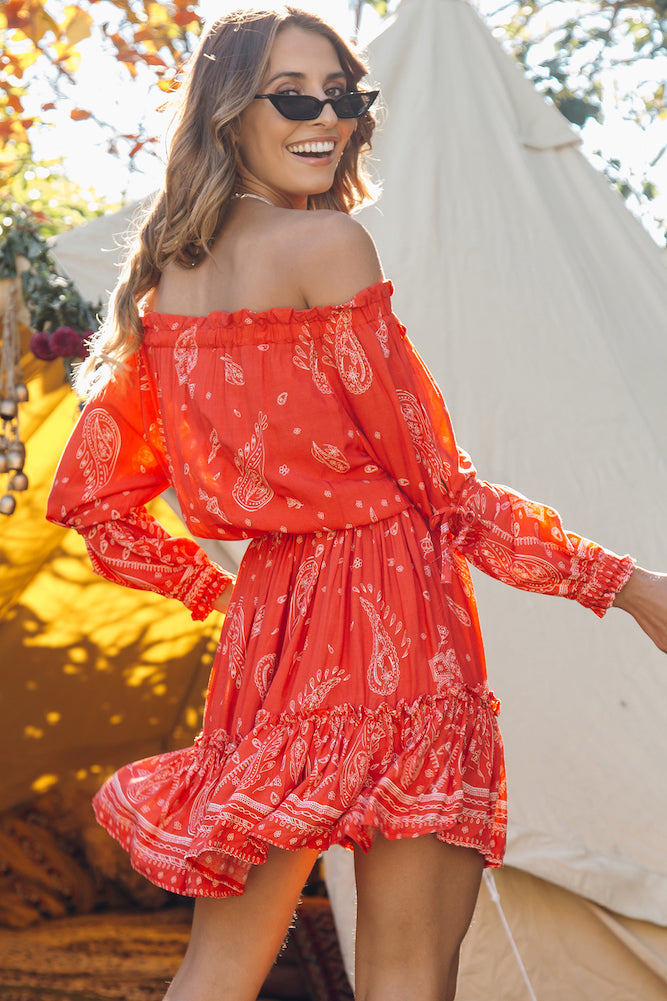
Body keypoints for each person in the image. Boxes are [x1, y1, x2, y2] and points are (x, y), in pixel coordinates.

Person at [46, 7, 667, 1001]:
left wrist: (230, 598)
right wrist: (627, 585)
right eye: (294, 97)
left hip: (270, 636)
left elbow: (95, 497)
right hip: (395, 621)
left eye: (345, 96)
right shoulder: (326, 243)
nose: (328, 118)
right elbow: (444, 492)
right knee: (407, 971)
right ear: (227, 111)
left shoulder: (170, 279)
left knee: (218, 965)